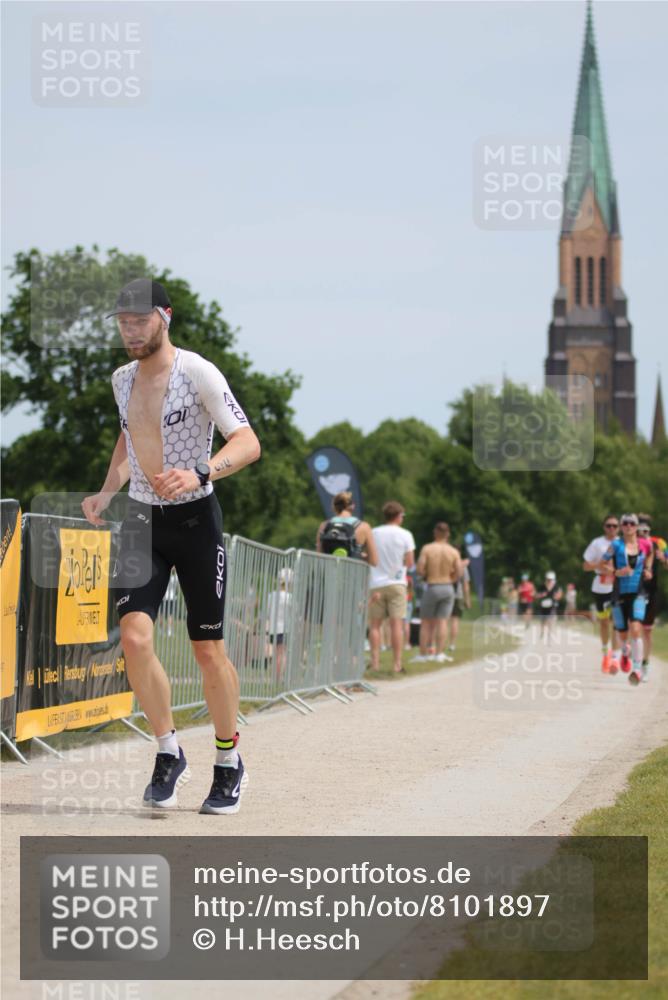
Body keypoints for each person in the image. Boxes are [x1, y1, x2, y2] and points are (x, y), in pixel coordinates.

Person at [82, 278, 261, 815]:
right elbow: (129, 436)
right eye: (123, 323)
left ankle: (228, 761)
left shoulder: (197, 371)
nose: (131, 331)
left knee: (208, 650)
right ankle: (168, 751)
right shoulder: (121, 379)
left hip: (195, 520)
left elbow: (247, 442)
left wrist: (200, 472)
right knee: (134, 638)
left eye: (140, 321)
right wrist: (107, 490)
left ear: (165, 317)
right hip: (142, 519)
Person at [602, 513, 654, 685]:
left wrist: (648, 569)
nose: (628, 526)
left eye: (632, 523)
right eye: (625, 523)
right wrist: (616, 572)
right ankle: (625, 652)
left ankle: (637, 669)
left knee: (636, 628)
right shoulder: (615, 545)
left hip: (638, 592)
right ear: (621, 526)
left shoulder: (645, 544)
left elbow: (651, 553)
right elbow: (603, 564)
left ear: (636, 526)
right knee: (622, 633)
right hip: (619, 593)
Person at [368, 501, 415, 674]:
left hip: (376, 583)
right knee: (396, 625)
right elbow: (410, 562)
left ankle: (375, 663)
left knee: (375, 625)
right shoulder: (406, 534)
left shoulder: (374, 532)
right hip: (397, 583)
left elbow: (369, 554)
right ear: (398, 516)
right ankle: (396, 665)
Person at [413, 523, 462, 663]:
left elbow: (419, 569)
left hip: (432, 586)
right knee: (443, 621)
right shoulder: (453, 551)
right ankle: (439, 653)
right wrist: (451, 579)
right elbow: (459, 571)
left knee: (426, 622)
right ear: (448, 534)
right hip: (447, 587)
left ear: (435, 532)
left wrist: (427, 576)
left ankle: (423, 655)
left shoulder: (427, 548)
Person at [583, 514, 620, 673]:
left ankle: (615, 658)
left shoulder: (623, 543)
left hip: (618, 585)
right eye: (608, 525)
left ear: (619, 528)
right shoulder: (597, 543)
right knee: (604, 623)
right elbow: (585, 566)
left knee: (617, 622)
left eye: (614, 526)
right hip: (601, 586)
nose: (611, 528)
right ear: (604, 527)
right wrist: (600, 565)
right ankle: (606, 653)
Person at [316, 491, 378, 566]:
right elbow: (374, 561)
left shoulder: (324, 526)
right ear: (352, 506)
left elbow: (319, 555)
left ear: (334, 507)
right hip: (353, 571)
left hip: (329, 571)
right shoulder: (364, 527)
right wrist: (359, 555)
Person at [266, 568, 292, 680]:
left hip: (273, 628)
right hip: (284, 628)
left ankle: (275, 676)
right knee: (282, 654)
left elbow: (267, 612)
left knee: (276, 653)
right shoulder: (289, 597)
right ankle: (278, 677)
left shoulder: (271, 595)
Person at [448, 554, 471, 655]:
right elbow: (465, 585)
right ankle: (452, 644)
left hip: (445, 594)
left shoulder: (445, 564)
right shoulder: (463, 568)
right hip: (458, 596)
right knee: (455, 620)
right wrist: (467, 599)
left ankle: (438, 644)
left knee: (442, 621)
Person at [535, 571, 563, 640]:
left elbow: (560, 595)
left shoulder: (556, 587)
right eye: (548, 579)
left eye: (550, 579)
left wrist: (557, 596)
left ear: (553, 579)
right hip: (543, 606)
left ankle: (549, 634)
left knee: (550, 620)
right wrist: (542, 595)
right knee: (543, 621)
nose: (549, 581)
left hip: (552, 606)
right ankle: (542, 632)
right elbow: (536, 595)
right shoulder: (542, 587)